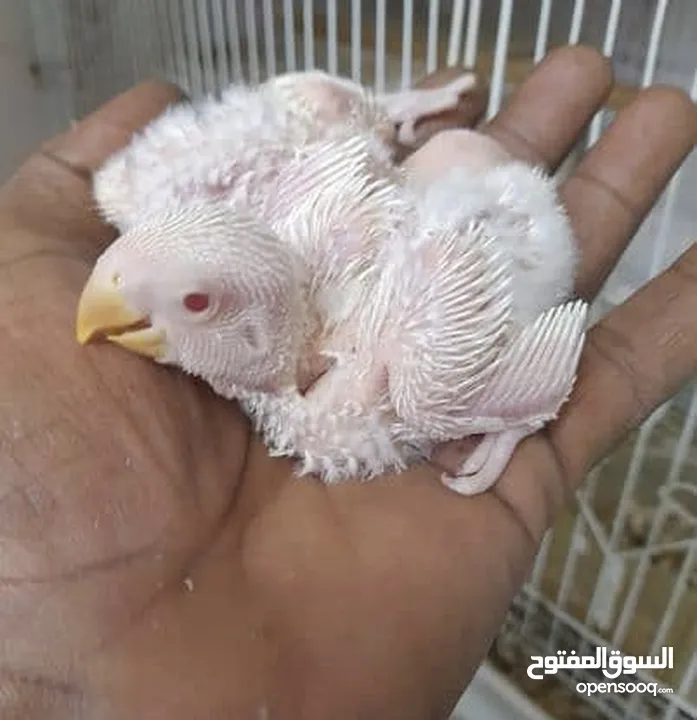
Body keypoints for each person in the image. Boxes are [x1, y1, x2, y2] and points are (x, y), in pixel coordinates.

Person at [1, 45, 695, 719]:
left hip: (476, 208)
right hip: (425, 187)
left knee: (435, 389)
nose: (102, 310)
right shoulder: (275, 238)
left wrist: (505, 414)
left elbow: (541, 320)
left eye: (195, 305)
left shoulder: (405, 378)